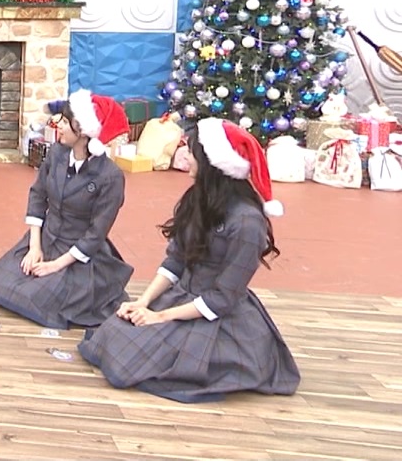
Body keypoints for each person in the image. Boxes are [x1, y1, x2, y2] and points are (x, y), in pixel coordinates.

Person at [76, 117, 301, 403]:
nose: (186, 157)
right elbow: (176, 260)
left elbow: (224, 297)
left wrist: (160, 316)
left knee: (134, 361)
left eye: (192, 153)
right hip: (182, 297)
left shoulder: (247, 222)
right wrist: (144, 302)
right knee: (113, 336)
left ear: (212, 164)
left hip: (216, 314)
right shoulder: (199, 198)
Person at [0, 90, 135, 329]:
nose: (57, 124)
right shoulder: (56, 154)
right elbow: (38, 195)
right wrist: (34, 247)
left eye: (64, 121)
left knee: (38, 300)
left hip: (78, 253)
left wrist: (55, 265)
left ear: (83, 131)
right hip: (46, 238)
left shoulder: (109, 177)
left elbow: (96, 233)